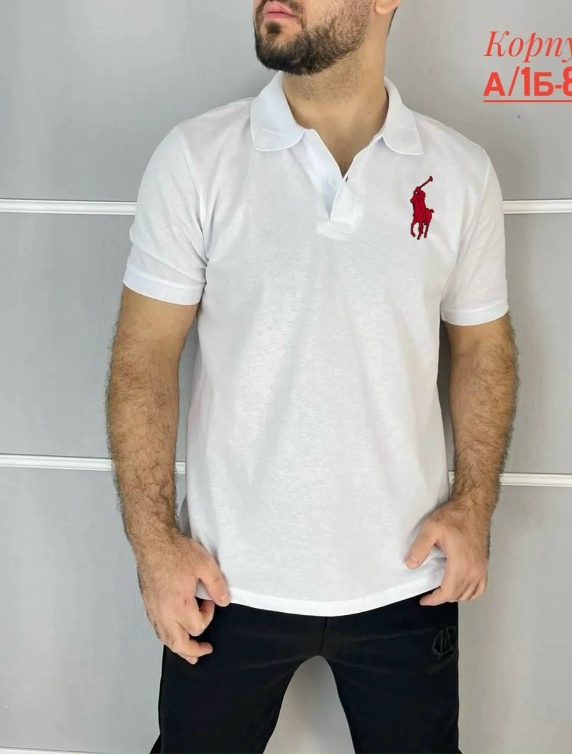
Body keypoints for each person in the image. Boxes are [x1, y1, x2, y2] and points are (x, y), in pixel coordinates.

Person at [106, 0, 518, 752]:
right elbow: (144, 359)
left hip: (407, 584)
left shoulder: (460, 172)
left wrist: (474, 505)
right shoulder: (197, 158)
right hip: (225, 585)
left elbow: (483, 349)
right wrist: (153, 543)